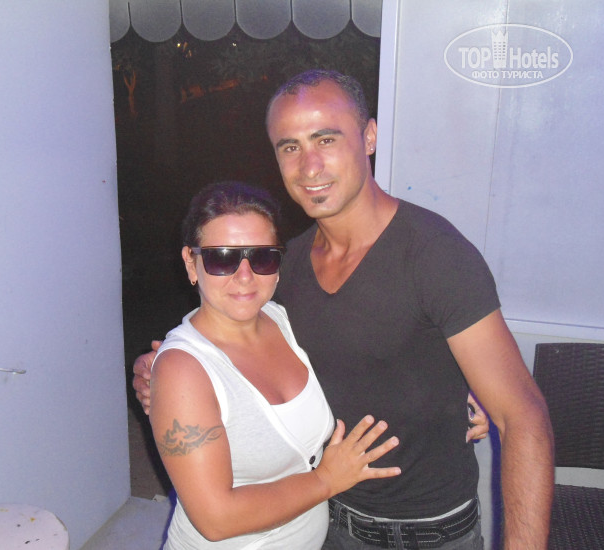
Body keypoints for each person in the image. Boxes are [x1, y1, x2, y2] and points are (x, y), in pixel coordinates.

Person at [136, 70, 554, 549]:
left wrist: (472, 386)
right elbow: (228, 339)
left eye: (326, 139)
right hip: (327, 521)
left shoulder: (434, 254)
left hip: (431, 535)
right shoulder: (283, 268)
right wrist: (159, 369)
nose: (309, 165)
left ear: (369, 137)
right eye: (290, 146)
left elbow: (523, 416)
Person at [151, 181, 401, 549]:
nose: (245, 275)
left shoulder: (283, 320)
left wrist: (451, 390)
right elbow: (215, 519)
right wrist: (326, 480)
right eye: (222, 258)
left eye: (263, 257)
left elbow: (363, 356)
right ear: (191, 262)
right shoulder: (183, 371)